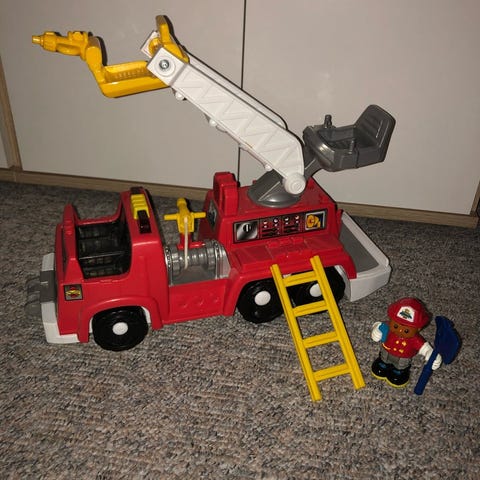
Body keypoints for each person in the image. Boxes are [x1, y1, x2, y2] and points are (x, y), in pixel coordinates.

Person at [371, 297, 442, 388]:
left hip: (403, 358)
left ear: (418, 329)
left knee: (401, 366)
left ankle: (399, 371)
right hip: (386, 351)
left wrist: (431, 354)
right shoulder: (388, 327)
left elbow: (424, 347)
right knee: (384, 358)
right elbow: (380, 325)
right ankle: (383, 364)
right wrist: (376, 329)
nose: (400, 331)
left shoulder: (414, 339)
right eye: (396, 326)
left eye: (406, 331)